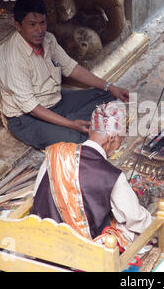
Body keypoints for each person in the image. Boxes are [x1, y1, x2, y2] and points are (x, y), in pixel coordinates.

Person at [0, 0, 129, 150]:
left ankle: (66, 124)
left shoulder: (49, 40)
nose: (39, 30)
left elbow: (72, 68)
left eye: (42, 23)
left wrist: (111, 87)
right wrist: (71, 124)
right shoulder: (13, 58)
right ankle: (68, 125)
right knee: (78, 141)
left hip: (56, 100)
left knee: (108, 95)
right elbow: (31, 108)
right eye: (32, 25)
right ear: (18, 25)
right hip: (26, 118)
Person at [31, 101, 152, 248]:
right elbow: (136, 219)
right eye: (121, 140)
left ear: (90, 131)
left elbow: (36, 195)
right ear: (111, 138)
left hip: (39, 240)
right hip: (78, 251)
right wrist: (160, 233)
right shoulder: (111, 176)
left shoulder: (55, 153)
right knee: (128, 230)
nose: (119, 146)